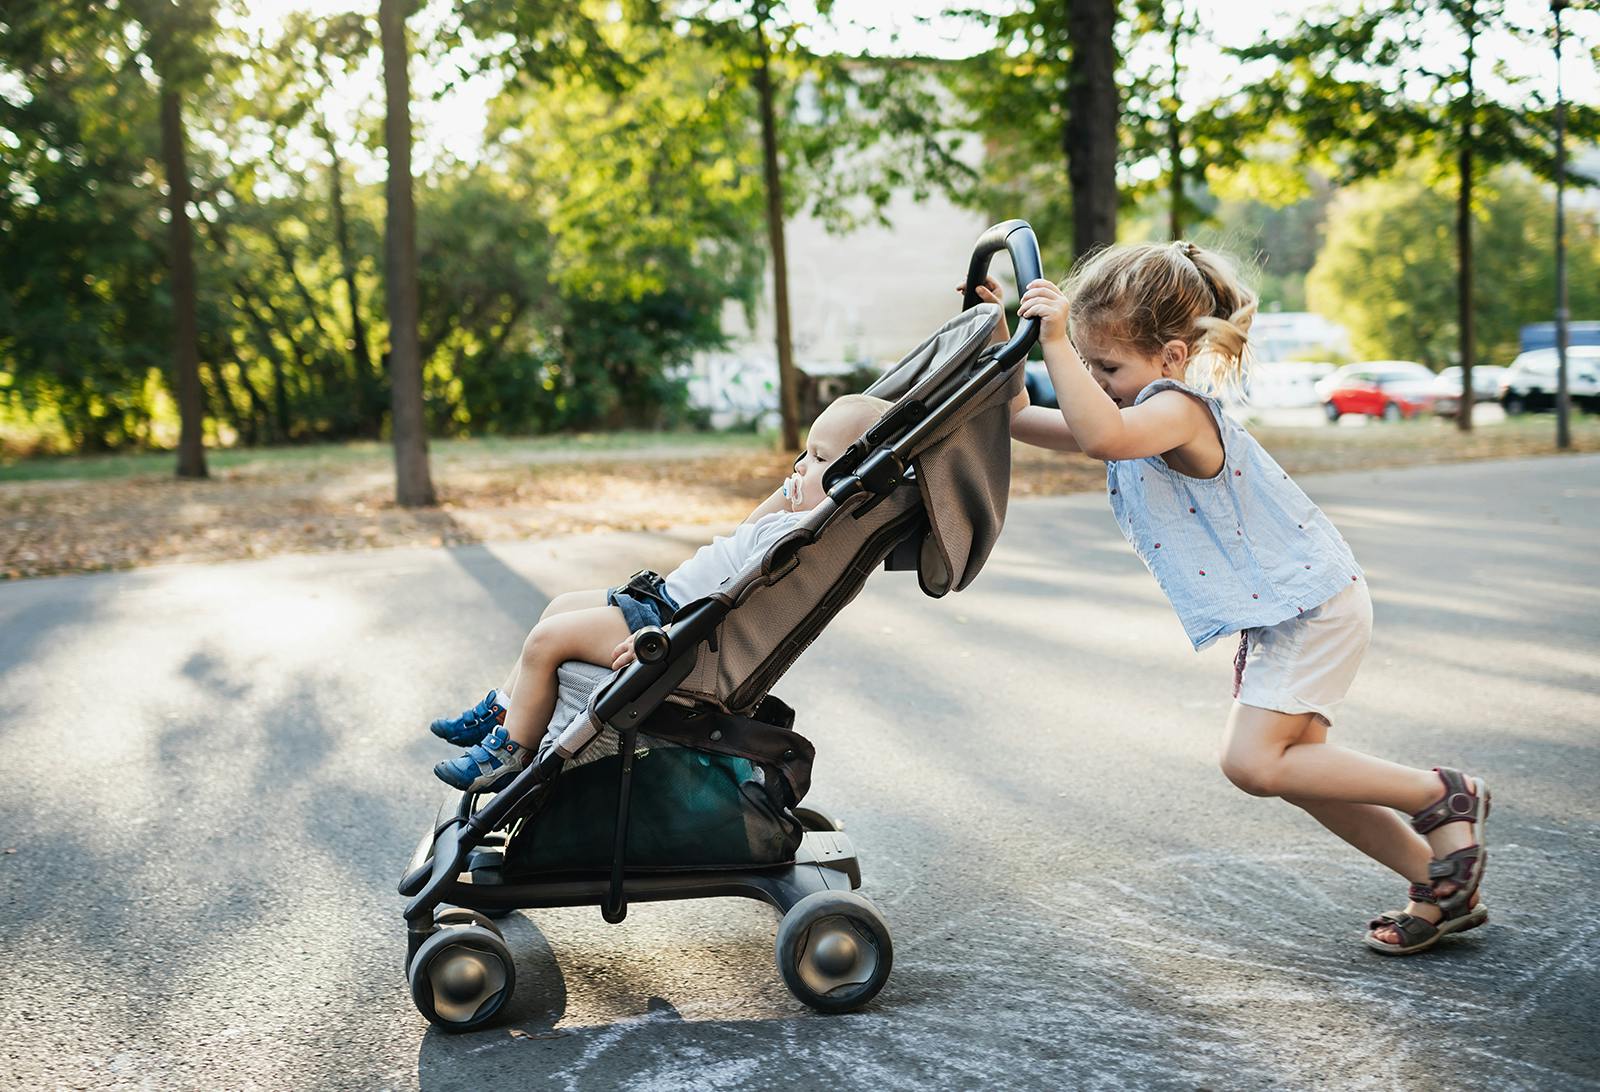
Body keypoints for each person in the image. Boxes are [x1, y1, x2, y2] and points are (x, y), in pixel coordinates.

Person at [978, 243, 1490, 956]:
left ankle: (1440, 791)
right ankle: (1439, 882)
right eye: (1089, 368)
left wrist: (1061, 342)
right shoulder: (1132, 405)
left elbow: (1101, 435)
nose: (1095, 382)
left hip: (1312, 607)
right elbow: (1021, 418)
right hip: (1282, 615)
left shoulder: (1174, 411)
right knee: (1307, 776)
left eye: (1108, 368)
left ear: (1172, 356)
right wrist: (1005, 340)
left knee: (1252, 764)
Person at [428, 394, 891, 794]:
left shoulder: (801, 541)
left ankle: (511, 754)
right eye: (803, 454)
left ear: (847, 479)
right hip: (657, 598)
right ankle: (502, 711)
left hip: (669, 619)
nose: (800, 466)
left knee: (545, 641)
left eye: (818, 458)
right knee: (559, 606)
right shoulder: (794, 521)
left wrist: (669, 634)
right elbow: (752, 522)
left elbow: (741, 601)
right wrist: (797, 486)